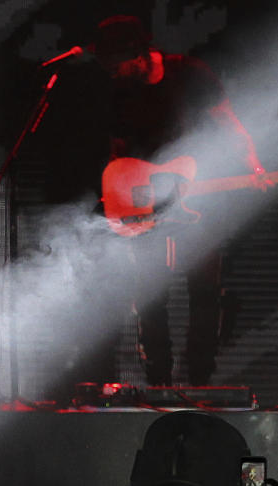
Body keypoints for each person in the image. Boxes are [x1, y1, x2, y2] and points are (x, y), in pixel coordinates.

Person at [92, 14, 268, 386]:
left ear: (138, 54)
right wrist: (119, 201)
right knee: (150, 292)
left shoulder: (190, 74)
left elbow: (229, 122)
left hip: (196, 195)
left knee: (203, 290)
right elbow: (117, 152)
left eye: (115, 63)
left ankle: (200, 381)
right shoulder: (119, 92)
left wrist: (253, 164)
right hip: (144, 203)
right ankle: (158, 380)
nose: (112, 72)